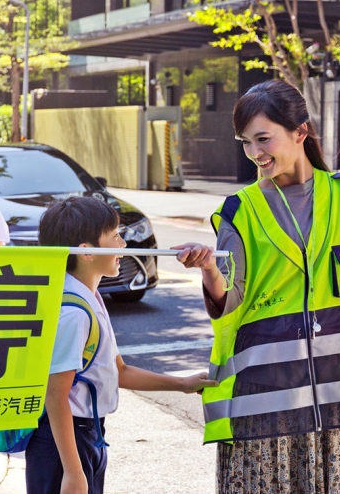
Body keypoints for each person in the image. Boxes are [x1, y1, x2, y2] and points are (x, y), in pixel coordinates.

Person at [175, 52, 340, 493]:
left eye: (263, 139)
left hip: (336, 415)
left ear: (300, 133)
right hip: (263, 416)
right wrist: (208, 270)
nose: (255, 153)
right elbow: (230, 301)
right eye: (246, 142)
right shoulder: (237, 212)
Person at [30, 196, 217, 494]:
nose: (123, 245)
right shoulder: (73, 314)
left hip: (87, 434)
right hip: (64, 444)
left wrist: (182, 383)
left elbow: (120, 370)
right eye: (115, 236)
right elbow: (56, 396)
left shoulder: (91, 299)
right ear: (87, 252)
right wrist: (73, 471)